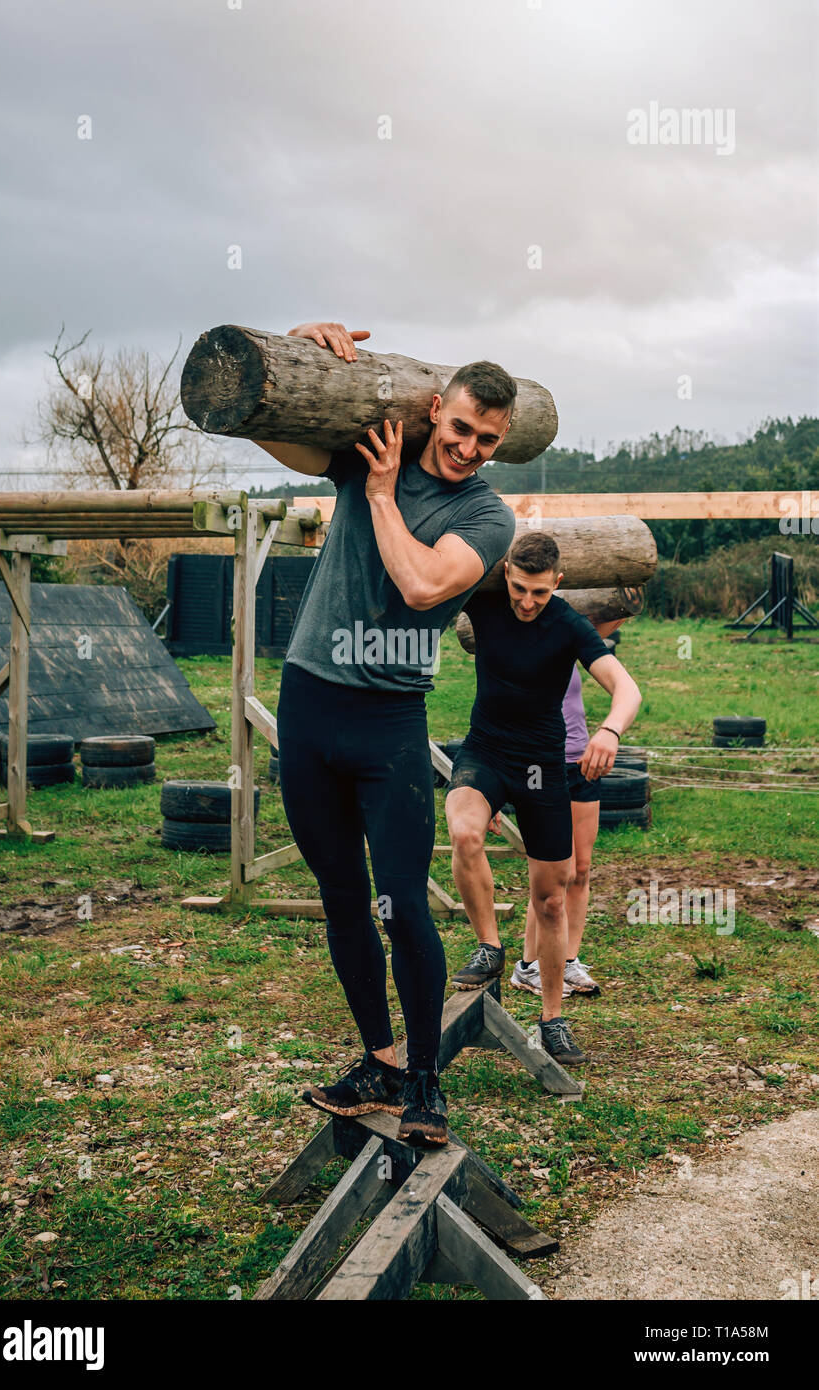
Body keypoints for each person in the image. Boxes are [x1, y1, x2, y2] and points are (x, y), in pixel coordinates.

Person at [258, 320, 517, 1145]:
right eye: (462, 428)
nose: (471, 448)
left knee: (404, 902)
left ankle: (425, 1083)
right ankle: (377, 1059)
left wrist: (376, 496)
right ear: (435, 409)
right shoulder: (377, 447)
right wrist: (292, 349)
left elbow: (420, 584)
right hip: (308, 705)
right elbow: (276, 434)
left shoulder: (486, 516)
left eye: (488, 440)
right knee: (341, 897)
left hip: (388, 721)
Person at [445, 532, 642, 1066]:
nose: (526, 602)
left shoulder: (568, 624)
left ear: (557, 583)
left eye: (538, 591)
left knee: (551, 899)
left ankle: (552, 1019)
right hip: (485, 751)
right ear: (505, 573)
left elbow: (627, 689)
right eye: (518, 588)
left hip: (542, 765)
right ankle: (490, 945)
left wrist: (610, 732)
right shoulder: (483, 601)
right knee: (463, 829)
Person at [511, 617, 626, 1001]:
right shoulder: (516, 647)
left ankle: (569, 959)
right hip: (541, 766)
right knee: (551, 875)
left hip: (582, 763)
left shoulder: (568, 636)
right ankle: (529, 966)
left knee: (580, 869)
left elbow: (605, 620)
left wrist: (626, 594)